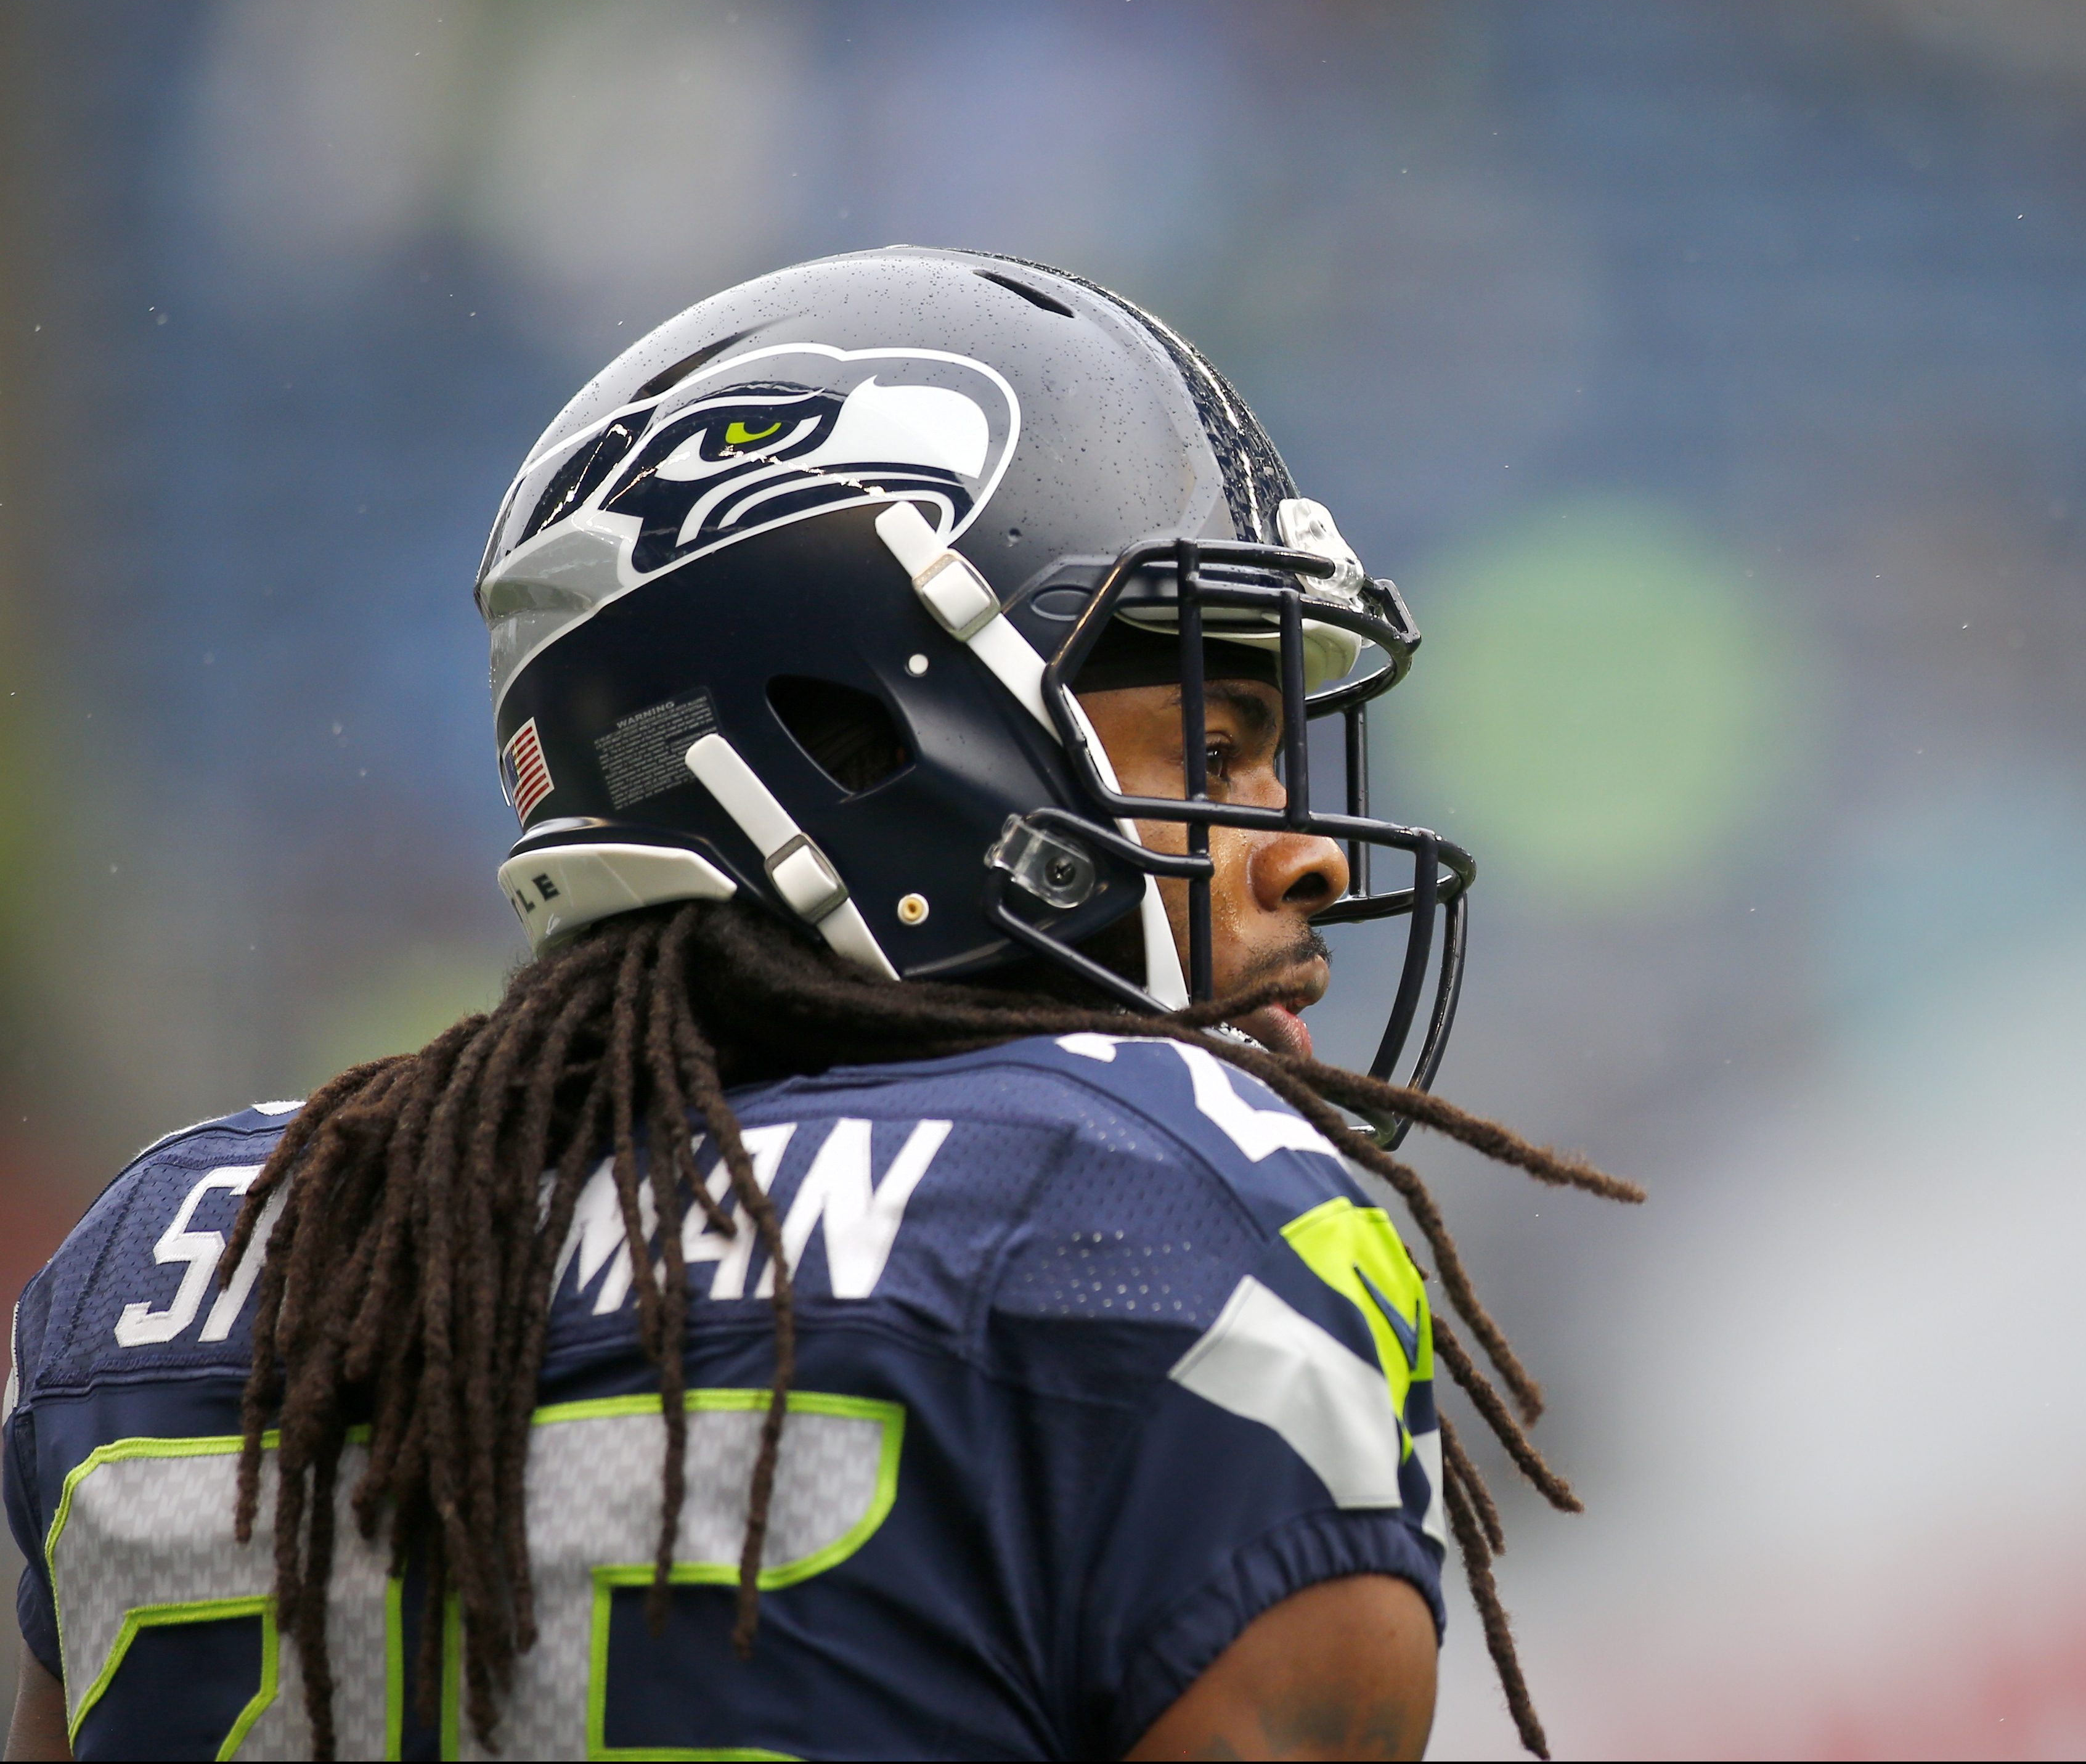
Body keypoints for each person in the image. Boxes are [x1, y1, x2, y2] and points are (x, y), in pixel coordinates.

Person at [0, 248, 1634, 1762]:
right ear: (849, 733)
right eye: (1208, 759)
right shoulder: (1151, 1222)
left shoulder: (173, 1262)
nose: (1305, 861)